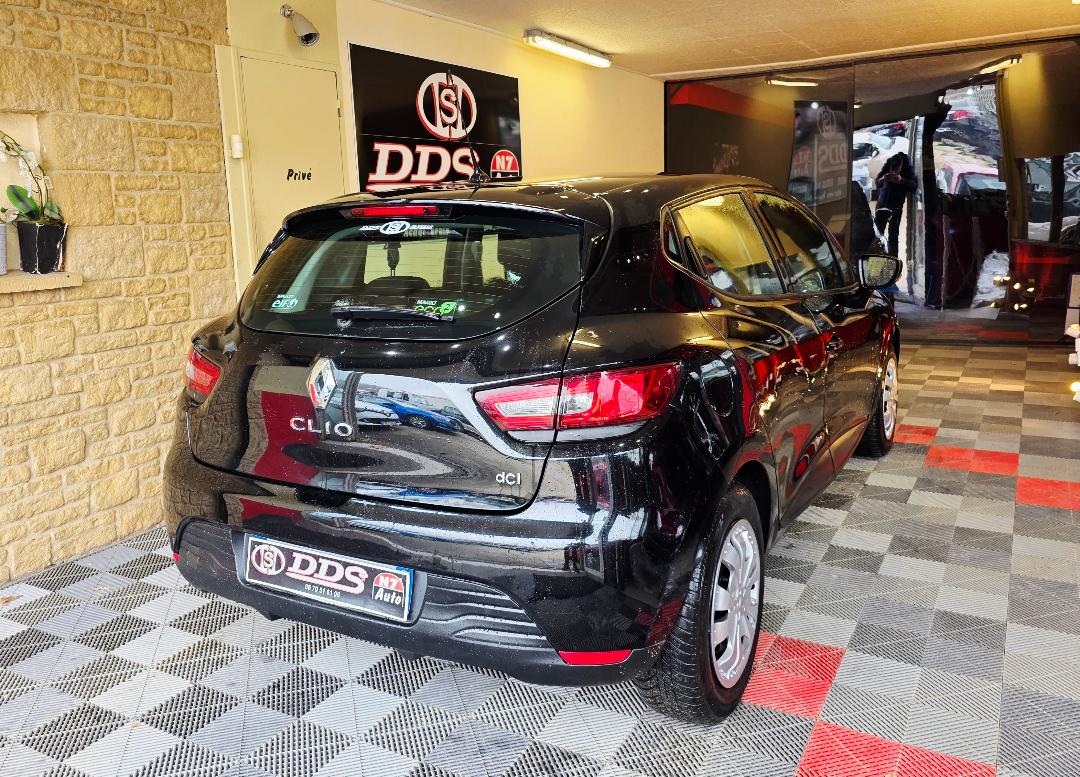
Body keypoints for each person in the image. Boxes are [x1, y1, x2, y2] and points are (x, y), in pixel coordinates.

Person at [874, 152, 917, 255]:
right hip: (882, 204)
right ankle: (877, 257)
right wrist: (884, 178)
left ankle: (893, 259)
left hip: (896, 206)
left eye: (896, 170)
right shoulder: (889, 163)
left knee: (893, 236)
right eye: (892, 170)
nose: (894, 172)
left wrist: (901, 180)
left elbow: (914, 187)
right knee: (877, 235)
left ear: (901, 167)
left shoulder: (908, 168)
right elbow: (877, 182)